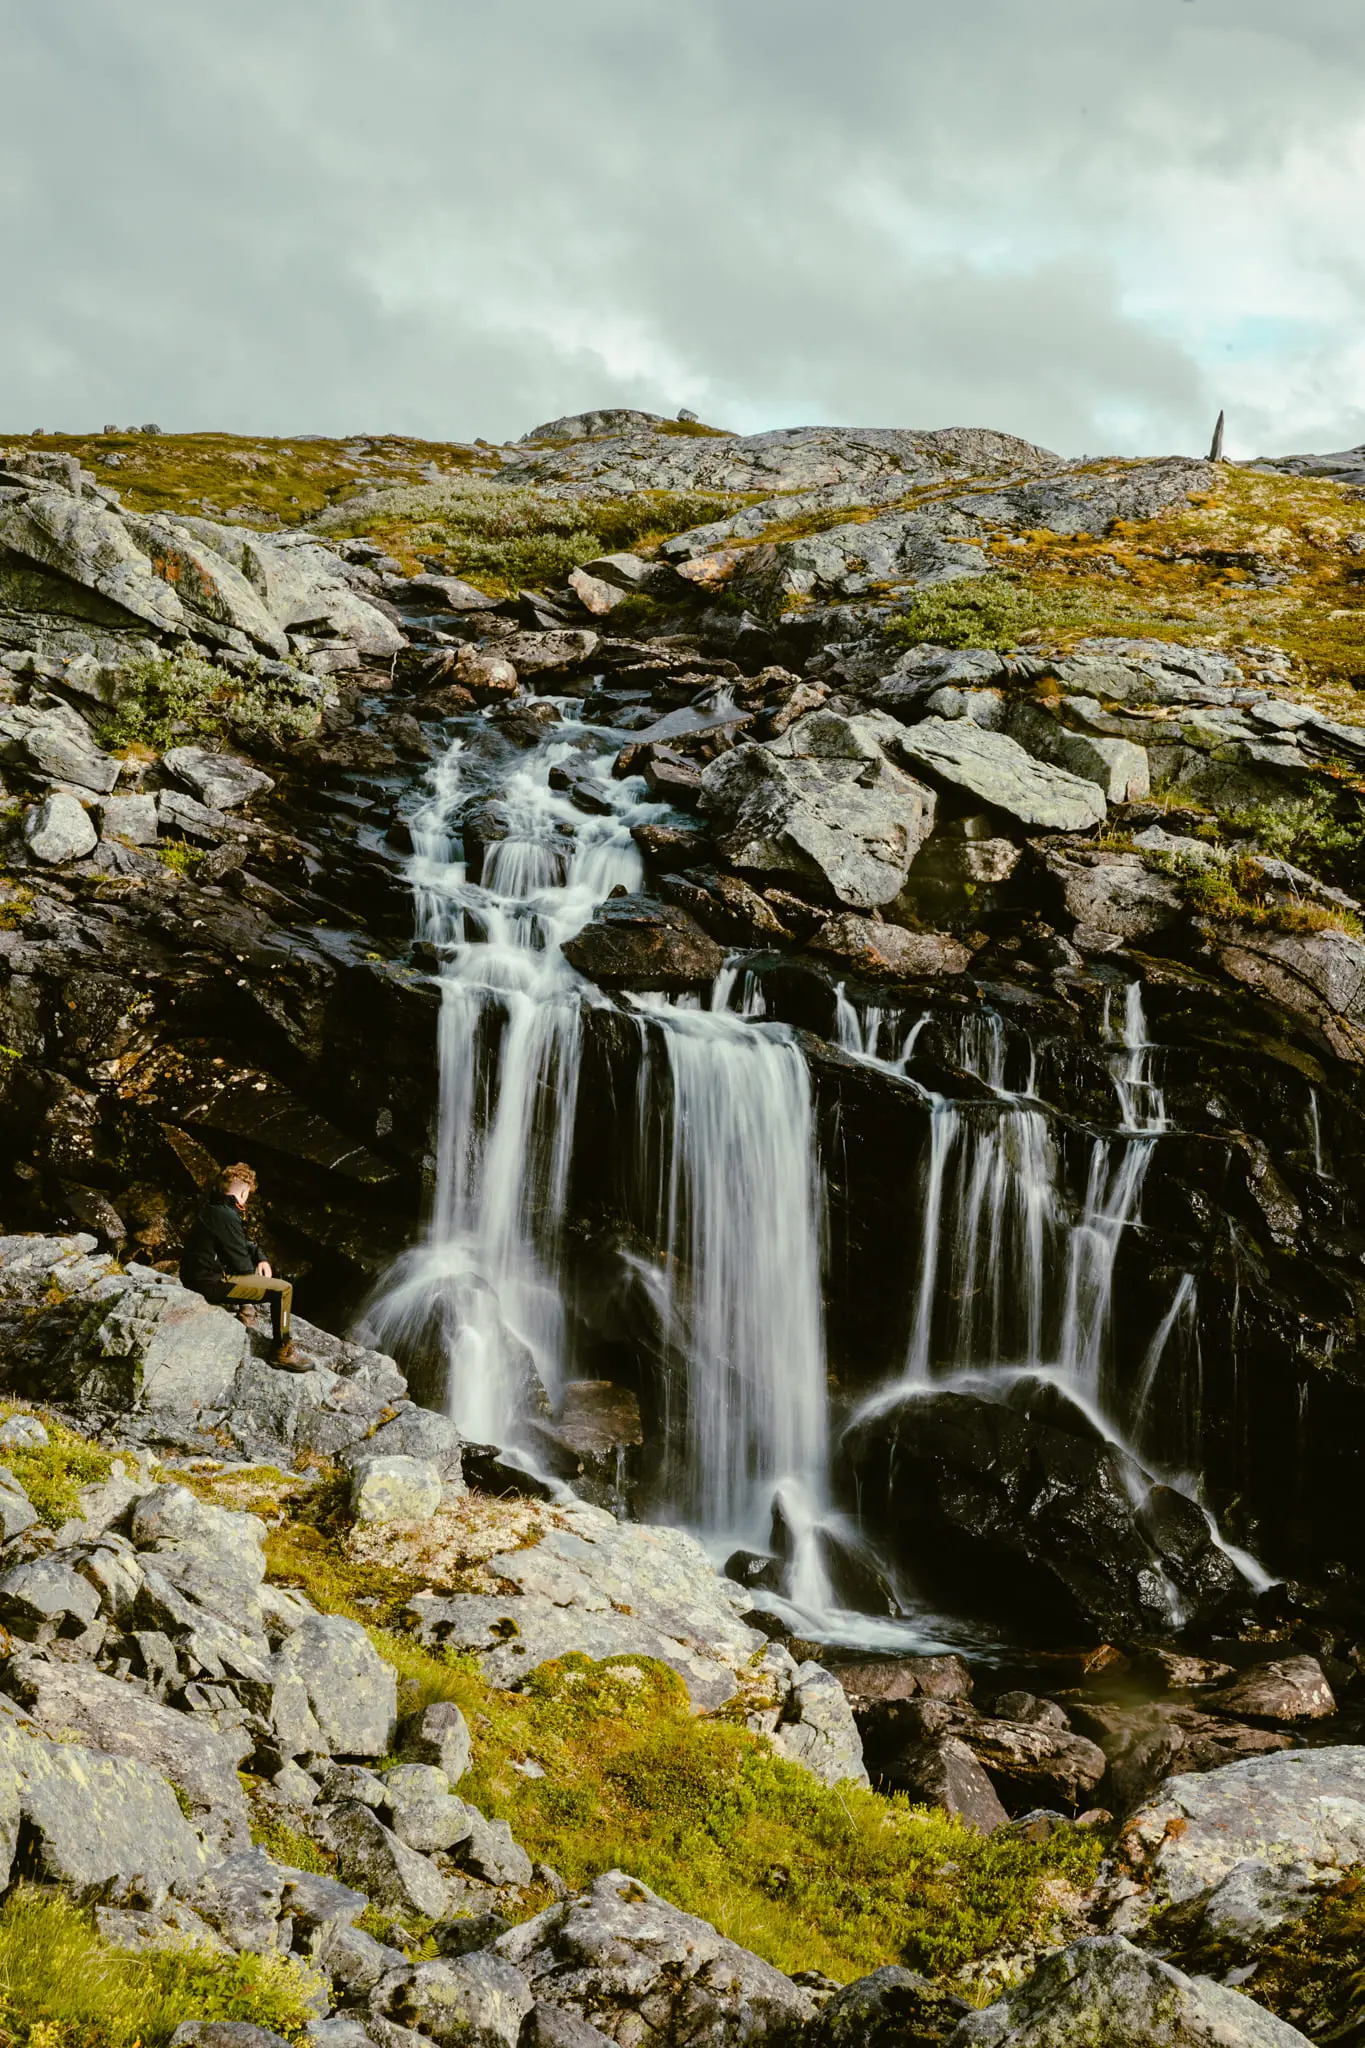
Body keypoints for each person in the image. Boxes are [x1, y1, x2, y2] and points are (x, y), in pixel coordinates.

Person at [180, 1163, 302, 1369]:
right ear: (244, 1193)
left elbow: (243, 1243)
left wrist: (261, 1258)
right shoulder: (226, 1216)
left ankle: (247, 1311)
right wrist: (259, 1275)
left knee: (255, 1268)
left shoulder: (216, 1209)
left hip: (198, 1276)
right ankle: (281, 1350)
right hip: (210, 1282)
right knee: (283, 1290)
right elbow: (242, 1265)